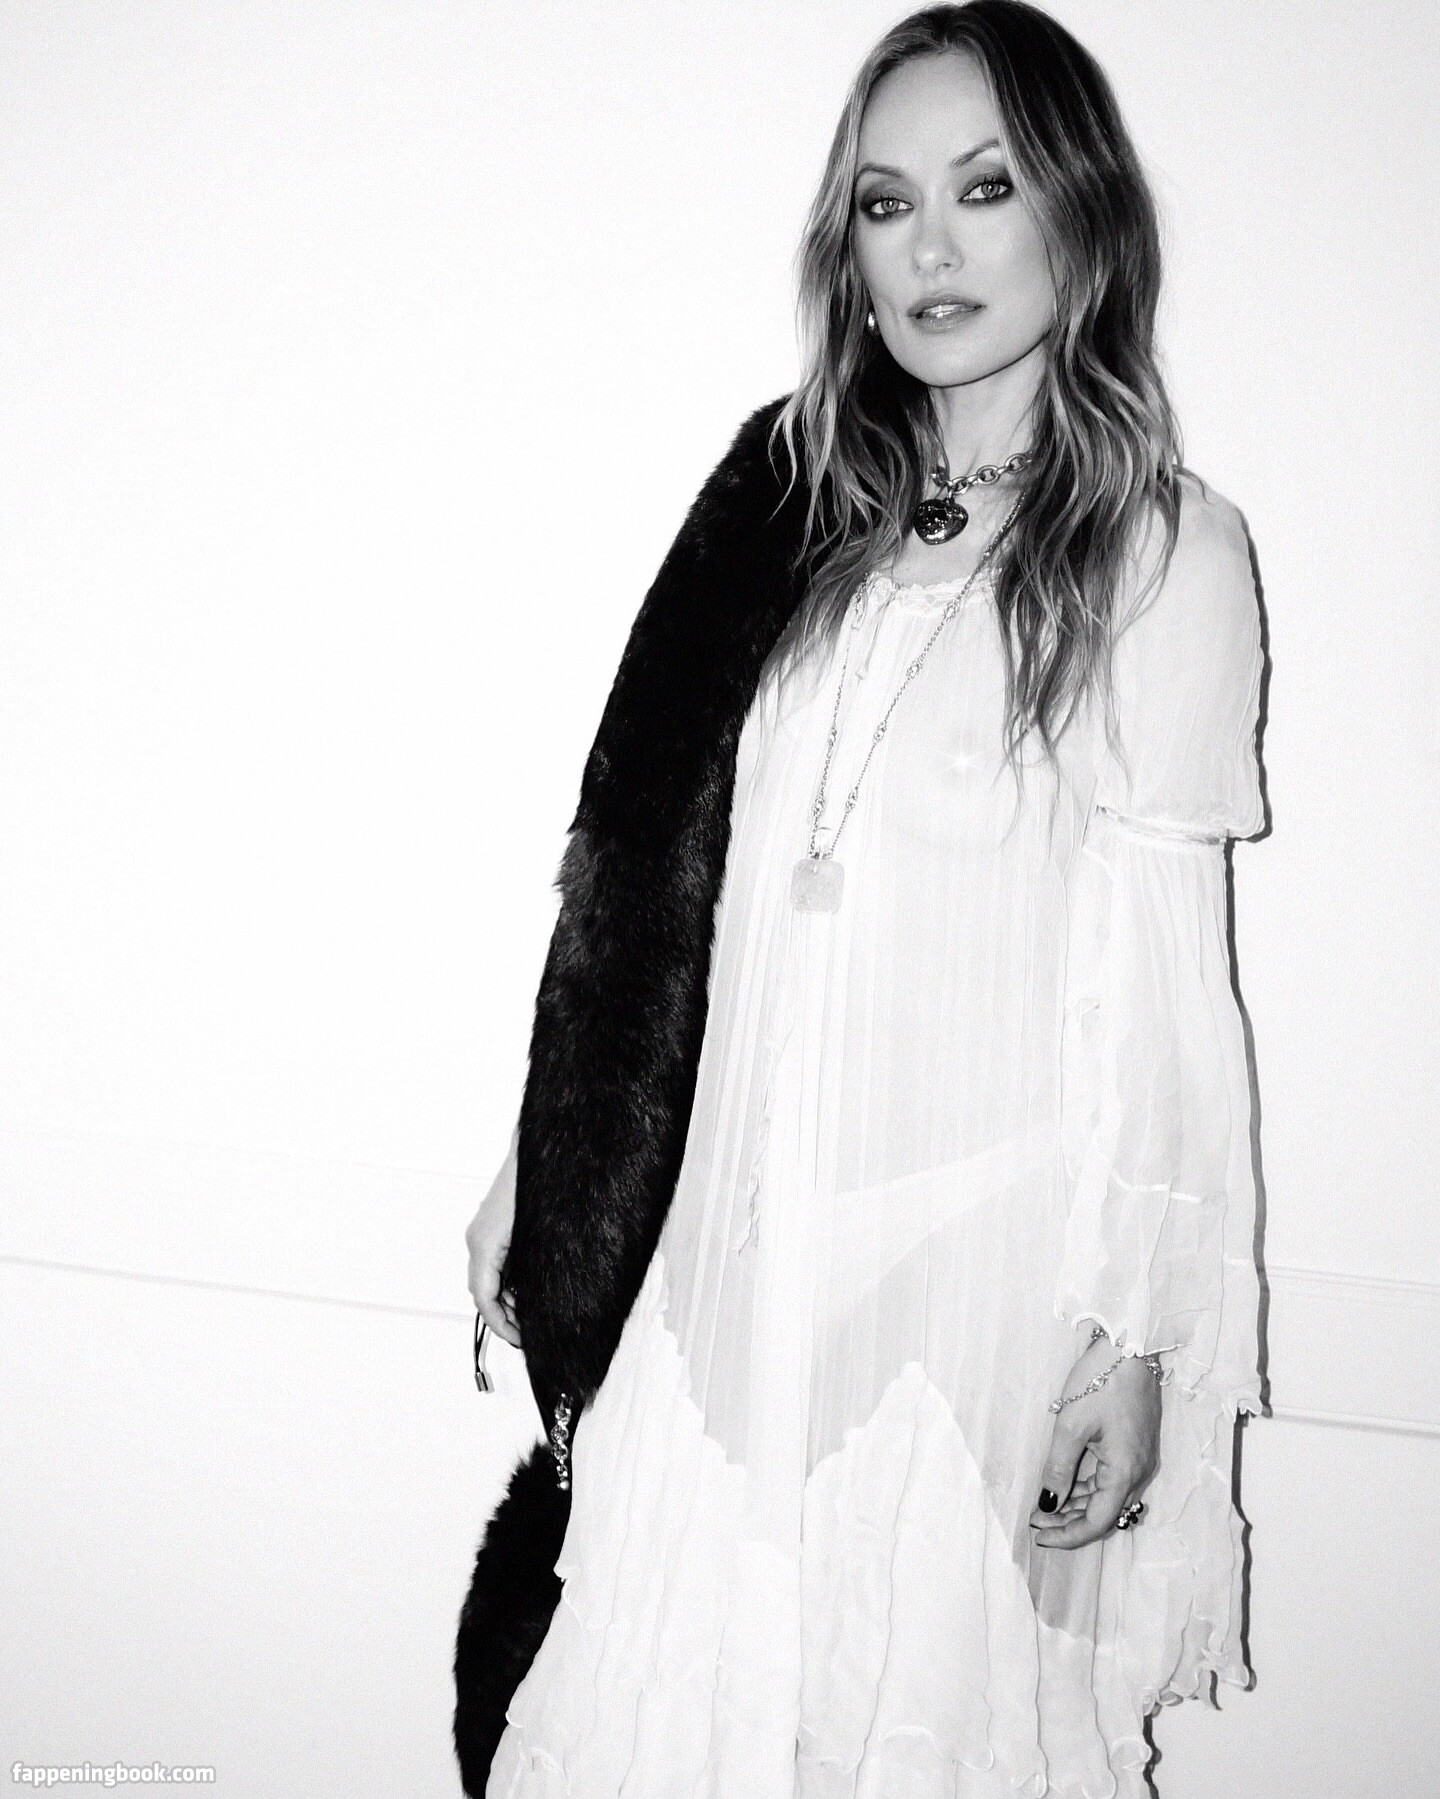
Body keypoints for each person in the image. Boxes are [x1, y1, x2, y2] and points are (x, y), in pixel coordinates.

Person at [458, 3, 1266, 1794]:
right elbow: (648, 875)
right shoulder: (788, 500)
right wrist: (550, 1156)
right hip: (730, 1270)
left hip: (969, 1294)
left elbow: (1166, 994)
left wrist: (1134, 1336)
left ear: (1080, 209)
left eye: (985, 188)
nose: (933, 248)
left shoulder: (1164, 552)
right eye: (889, 205)